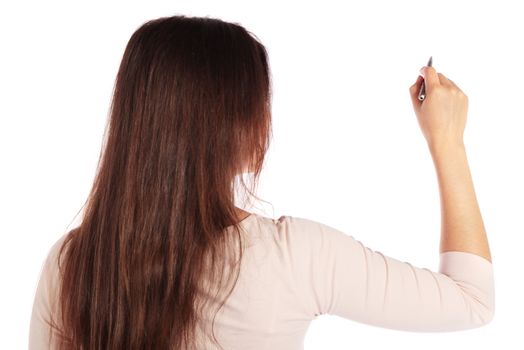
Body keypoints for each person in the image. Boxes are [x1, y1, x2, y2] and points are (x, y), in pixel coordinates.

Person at [28, 14, 494, 350]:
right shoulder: (293, 258)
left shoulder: (71, 265)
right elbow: (472, 300)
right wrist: (448, 142)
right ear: (238, 125)